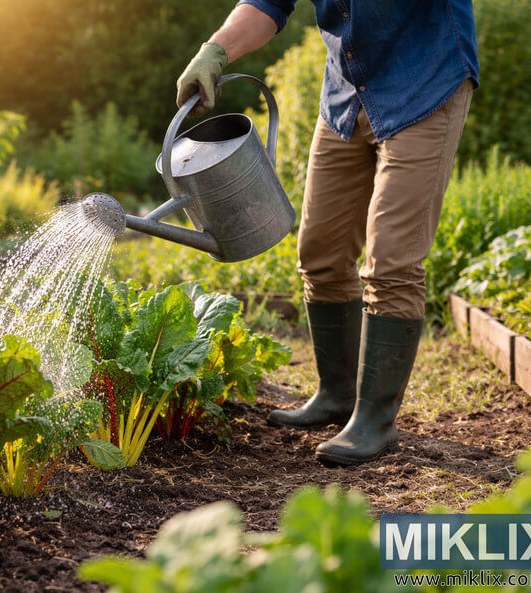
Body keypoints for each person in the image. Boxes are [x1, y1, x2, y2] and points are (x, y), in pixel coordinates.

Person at [176, 1, 478, 466]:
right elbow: (267, 2)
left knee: (393, 261)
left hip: (424, 82)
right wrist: (215, 51)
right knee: (321, 252)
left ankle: (375, 418)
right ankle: (337, 395)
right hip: (347, 92)